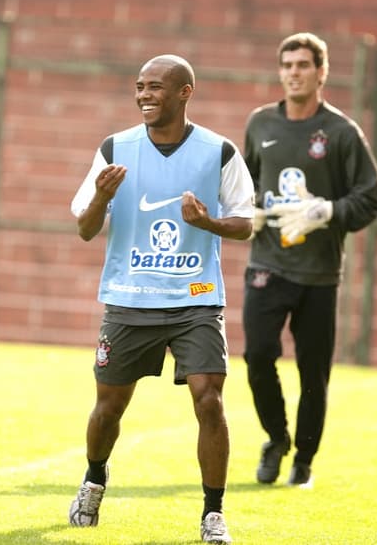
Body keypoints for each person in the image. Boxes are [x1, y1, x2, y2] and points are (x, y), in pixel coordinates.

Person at [69, 54, 255, 544]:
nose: (144, 95)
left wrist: (209, 223)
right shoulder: (115, 148)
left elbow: (246, 222)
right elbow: (85, 229)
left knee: (209, 400)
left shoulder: (219, 152)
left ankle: (213, 515)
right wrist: (101, 199)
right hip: (131, 297)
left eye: (155, 87)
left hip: (196, 297)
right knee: (108, 408)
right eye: (139, 87)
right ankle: (93, 479)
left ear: (184, 93)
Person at [241, 32, 377, 487]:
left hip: (320, 274)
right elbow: (241, 186)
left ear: (322, 72)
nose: (293, 73)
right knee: (258, 355)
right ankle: (276, 439)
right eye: (287, 65)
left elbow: (371, 199)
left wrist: (326, 212)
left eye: (303, 65)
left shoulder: (341, 133)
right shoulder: (260, 123)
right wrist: (250, 214)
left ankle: (303, 458)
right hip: (267, 264)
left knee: (313, 373)